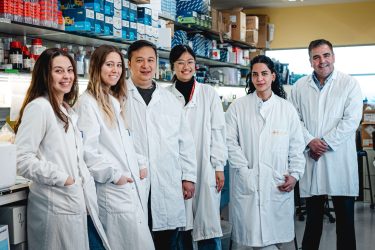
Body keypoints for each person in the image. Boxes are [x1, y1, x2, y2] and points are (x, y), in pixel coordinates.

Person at [14, 48, 111, 250]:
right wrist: (63, 179)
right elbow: (21, 159)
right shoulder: (39, 107)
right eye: (58, 71)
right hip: (54, 204)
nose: (66, 76)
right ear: (45, 74)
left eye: (69, 70)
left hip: (74, 203)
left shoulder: (66, 110)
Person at [75, 45, 155, 250]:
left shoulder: (113, 99)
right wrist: (115, 175)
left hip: (129, 184)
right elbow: (87, 152)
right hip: (112, 187)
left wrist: (140, 163)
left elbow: (125, 141)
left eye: (118, 65)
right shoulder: (88, 103)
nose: (115, 70)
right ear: (96, 67)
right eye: (109, 64)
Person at [226, 55, 306, 250]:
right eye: (255, 75)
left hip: (277, 182)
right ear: (251, 78)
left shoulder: (286, 109)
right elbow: (228, 142)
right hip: (247, 181)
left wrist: (295, 175)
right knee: (251, 237)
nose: (259, 79)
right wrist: (245, 171)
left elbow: (296, 146)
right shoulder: (238, 107)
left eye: (264, 74)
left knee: (271, 237)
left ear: (273, 76)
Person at [290, 39, 363, 250]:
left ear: (333, 56)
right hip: (312, 160)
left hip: (339, 160)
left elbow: (351, 120)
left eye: (326, 55)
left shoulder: (349, 83)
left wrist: (324, 143)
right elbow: (294, 120)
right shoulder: (299, 86)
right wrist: (310, 141)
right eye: (316, 57)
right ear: (310, 61)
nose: (322, 61)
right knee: (312, 223)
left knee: (345, 224)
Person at [124, 40, 197, 250]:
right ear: (129, 64)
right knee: (137, 241)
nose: (145, 66)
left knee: (167, 242)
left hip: (167, 182)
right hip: (134, 182)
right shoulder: (118, 96)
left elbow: (185, 142)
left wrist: (188, 177)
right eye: (139, 60)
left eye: (150, 60)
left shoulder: (170, 100)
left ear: (157, 64)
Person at [166, 45, 227, 250]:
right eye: (180, 63)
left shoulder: (208, 93)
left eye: (190, 62)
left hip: (205, 163)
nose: (186, 67)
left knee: (207, 222)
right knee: (180, 223)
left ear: (196, 65)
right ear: (172, 66)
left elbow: (218, 131)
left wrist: (219, 166)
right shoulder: (164, 96)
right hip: (176, 167)